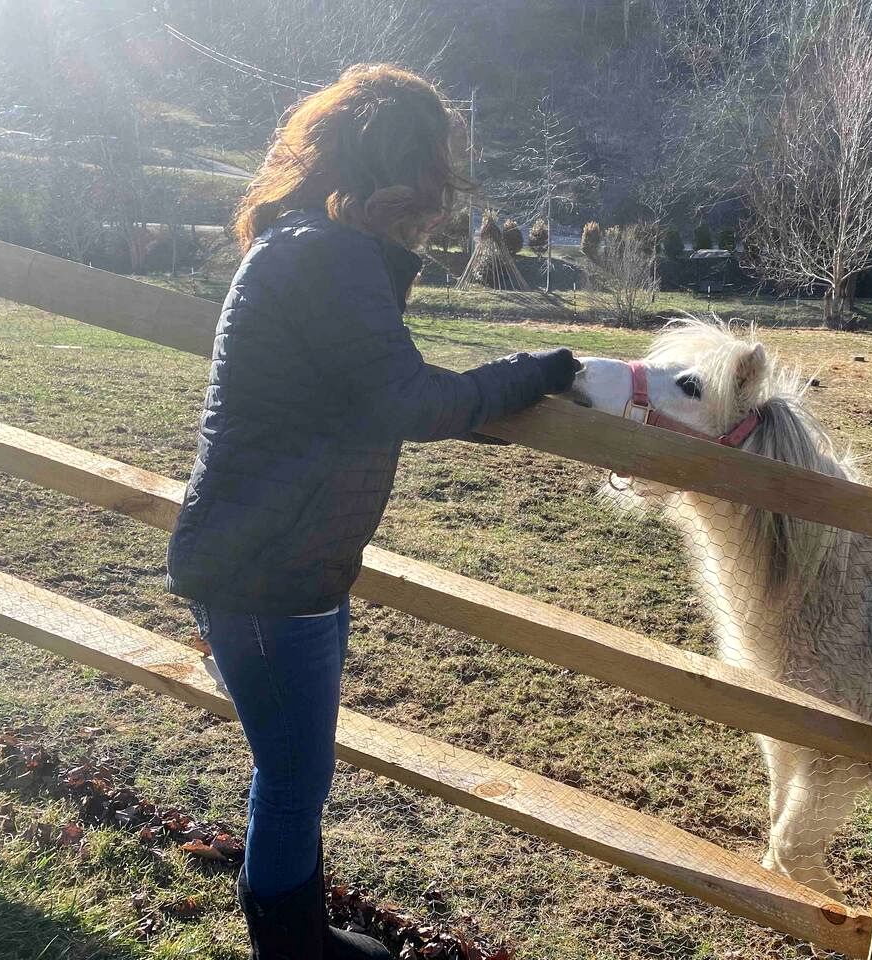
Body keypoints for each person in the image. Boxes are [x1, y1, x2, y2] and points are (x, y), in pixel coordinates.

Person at [166, 64, 579, 960]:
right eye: (435, 174)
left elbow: (357, 390)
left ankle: (300, 933)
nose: (440, 199)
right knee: (292, 778)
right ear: (401, 168)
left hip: (274, 557)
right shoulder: (327, 254)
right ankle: (291, 947)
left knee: (292, 773)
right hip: (271, 573)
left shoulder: (302, 244)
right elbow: (408, 401)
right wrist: (533, 372)